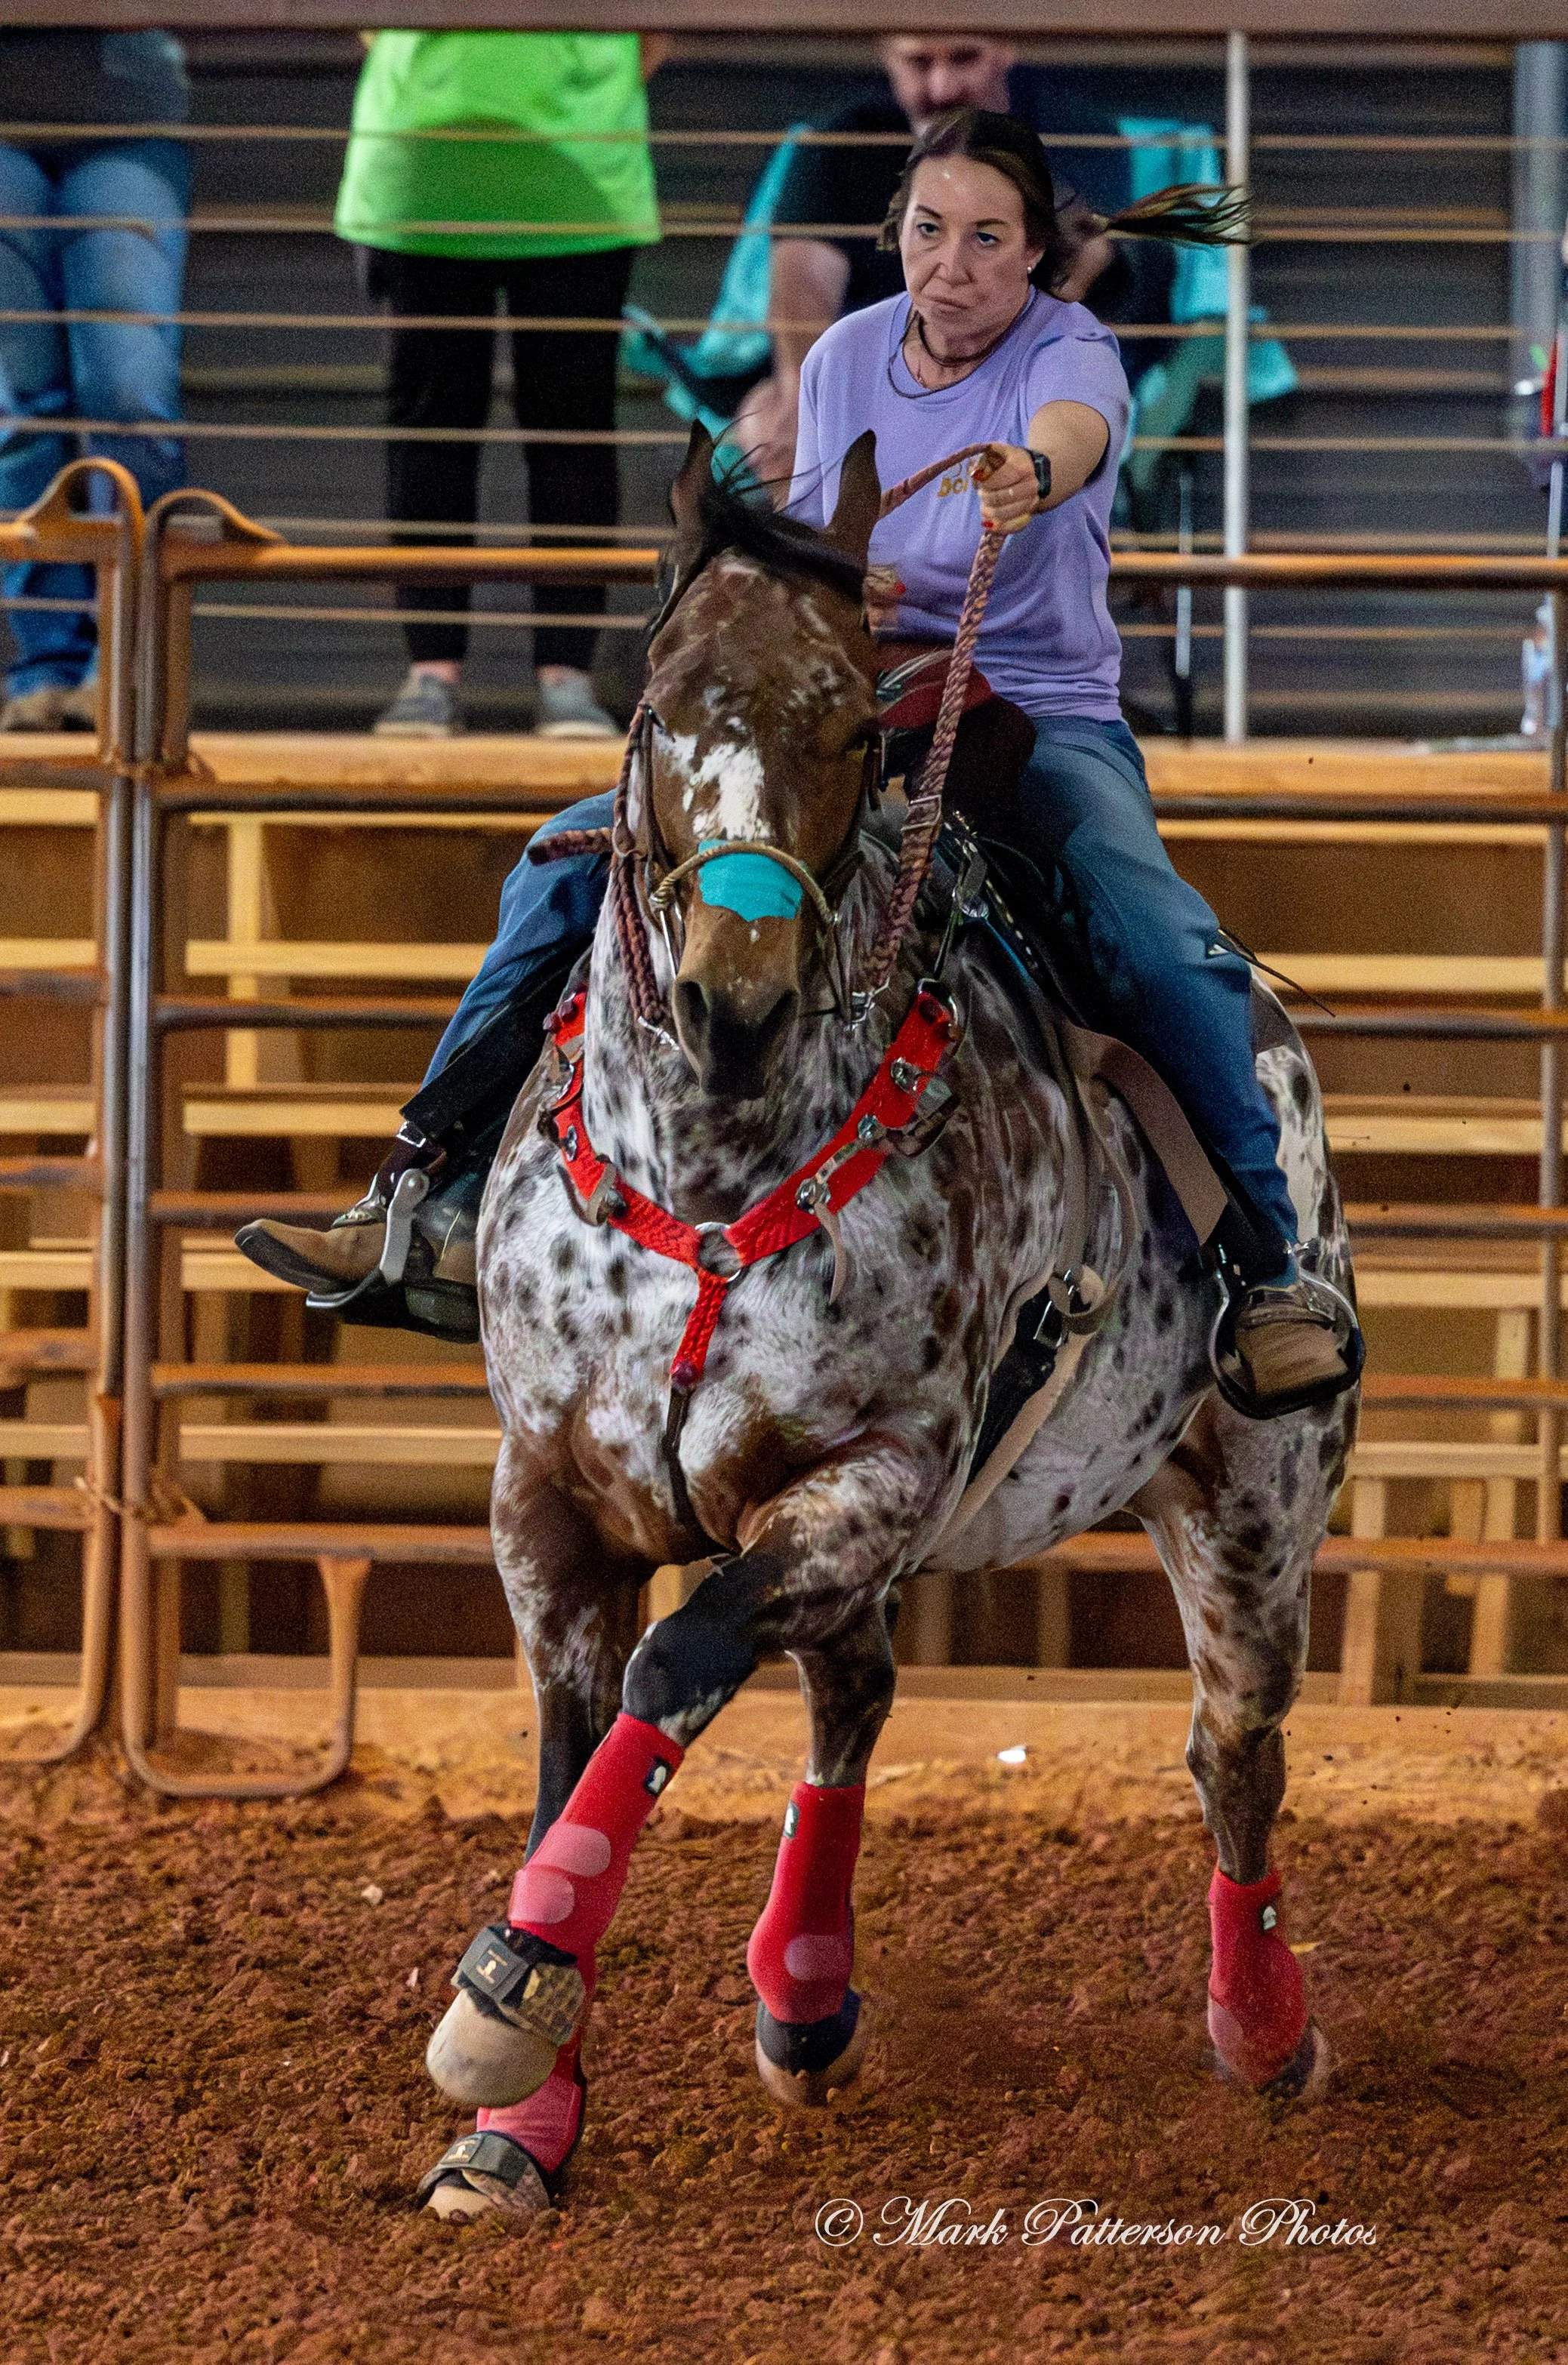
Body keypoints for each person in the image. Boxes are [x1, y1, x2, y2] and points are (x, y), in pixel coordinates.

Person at [236, 109, 1359, 1417]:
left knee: (1155, 935)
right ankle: (423, 1193)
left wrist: (1025, 473)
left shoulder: (1076, 350)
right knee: (567, 866)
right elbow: (838, 547)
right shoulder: (843, 357)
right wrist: (832, 577)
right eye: (930, 232)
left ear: (1036, 255)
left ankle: (1269, 1267)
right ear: (900, 237)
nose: (952, 265)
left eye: (988, 239)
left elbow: (1076, 436)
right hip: (852, 703)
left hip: (1033, 712)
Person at [334, 32, 664, 739]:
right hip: (430, 169)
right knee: (434, 428)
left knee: (571, 428)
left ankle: (566, 680)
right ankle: (432, 675)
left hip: (578, 168)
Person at [731, 38, 1180, 492]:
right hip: (881, 375)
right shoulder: (839, 141)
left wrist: (967, 392)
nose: (941, 88)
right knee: (770, 418)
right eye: (919, 63)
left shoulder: (1074, 134)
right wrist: (809, 395)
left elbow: (1082, 269)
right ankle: (835, 558)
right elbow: (803, 284)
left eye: (964, 58)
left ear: (1005, 48)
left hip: (1017, 360)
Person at [0, 29, 189, 730]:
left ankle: (132, 659)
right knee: (22, 405)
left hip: (128, 107)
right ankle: (44, 664)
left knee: (128, 389)